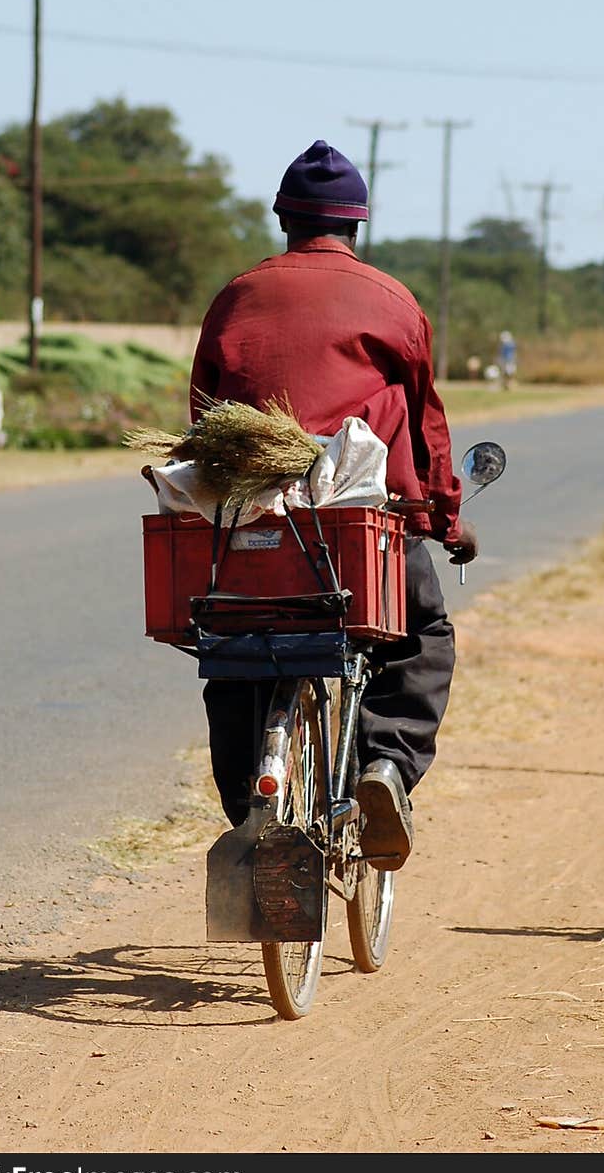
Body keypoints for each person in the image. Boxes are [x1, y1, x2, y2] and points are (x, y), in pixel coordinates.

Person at [188, 139, 478, 871]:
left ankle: (251, 804)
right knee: (422, 633)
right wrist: (444, 519)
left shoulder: (235, 296)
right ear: (357, 225)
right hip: (355, 528)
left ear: (283, 218)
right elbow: (424, 425)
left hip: (249, 526)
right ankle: (385, 764)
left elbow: (201, 420)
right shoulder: (392, 302)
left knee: (235, 649)